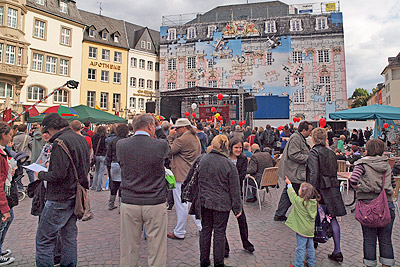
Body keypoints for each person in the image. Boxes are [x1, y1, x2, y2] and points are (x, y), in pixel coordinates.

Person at [35, 113, 90, 267]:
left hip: (60, 197)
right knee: (69, 238)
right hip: (75, 195)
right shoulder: (80, 138)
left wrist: (41, 174)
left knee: (44, 239)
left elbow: (59, 174)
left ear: (51, 127)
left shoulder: (60, 142)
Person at [350, 139, 396, 267]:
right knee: (386, 239)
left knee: (369, 239)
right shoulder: (386, 165)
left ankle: (370, 264)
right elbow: (392, 184)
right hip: (386, 204)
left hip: (368, 205)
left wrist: (359, 187)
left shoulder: (362, 164)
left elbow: (353, 179)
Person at [197, 135, 242, 267]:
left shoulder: (202, 159)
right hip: (222, 203)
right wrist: (237, 208)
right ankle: (219, 263)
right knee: (219, 232)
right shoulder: (228, 164)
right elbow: (235, 188)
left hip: (205, 200)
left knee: (205, 230)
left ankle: (204, 261)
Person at [307, 128, 347, 262]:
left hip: (320, 188)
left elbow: (313, 173)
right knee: (333, 218)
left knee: (314, 217)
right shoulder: (331, 152)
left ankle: (311, 247)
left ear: (313, 139)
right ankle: (337, 250)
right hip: (332, 187)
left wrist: (310, 191)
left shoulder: (314, 152)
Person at [167, 118, 202, 240]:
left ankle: (179, 231)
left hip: (181, 175)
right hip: (191, 174)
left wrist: (170, 137)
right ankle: (201, 226)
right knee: (191, 203)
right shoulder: (195, 138)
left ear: (184, 128)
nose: (175, 130)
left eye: (177, 128)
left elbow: (169, 150)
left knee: (181, 204)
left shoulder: (181, 140)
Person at [274, 121, 313, 221]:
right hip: (294, 171)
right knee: (290, 191)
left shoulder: (299, 137)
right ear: (303, 130)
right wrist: (308, 158)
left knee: (290, 191)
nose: (310, 132)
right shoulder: (296, 138)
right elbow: (294, 154)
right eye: (309, 130)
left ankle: (280, 213)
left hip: (294, 171)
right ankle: (280, 213)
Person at [225, 138, 254, 257]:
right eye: (236, 147)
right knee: (222, 222)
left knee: (242, 219)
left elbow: (241, 175)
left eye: (240, 148)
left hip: (236, 194)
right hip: (224, 193)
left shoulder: (242, 159)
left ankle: (245, 242)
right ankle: (224, 248)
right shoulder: (224, 158)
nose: (238, 150)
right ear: (231, 147)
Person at [284, 177, 319, 267]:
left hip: (302, 230)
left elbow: (292, 195)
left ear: (302, 193)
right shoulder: (314, 203)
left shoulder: (299, 202)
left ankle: (298, 265)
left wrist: (289, 184)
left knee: (301, 248)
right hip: (310, 231)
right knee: (310, 247)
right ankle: (311, 263)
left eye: (300, 189)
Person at [70, 120, 94, 222]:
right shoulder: (87, 139)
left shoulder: (70, 140)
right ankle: (86, 211)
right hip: (84, 167)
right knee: (84, 191)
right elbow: (90, 153)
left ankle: (76, 209)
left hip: (73, 169)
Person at [0, 122, 15, 265]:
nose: (11, 137)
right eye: (9, 134)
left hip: (5, 190)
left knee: (8, 219)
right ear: (3, 135)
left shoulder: (3, 151)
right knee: (4, 220)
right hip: (2, 194)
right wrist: (4, 208)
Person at [106, 124, 129, 211]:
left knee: (114, 184)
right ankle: (121, 206)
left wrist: (108, 165)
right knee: (123, 185)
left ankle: (111, 203)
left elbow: (108, 154)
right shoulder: (127, 141)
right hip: (124, 163)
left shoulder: (112, 141)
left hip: (114, 163)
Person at [91, 126, 107, 192]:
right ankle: (99, 187)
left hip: (96, 155)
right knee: (101, 172)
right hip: (103, 156)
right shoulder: (105, 138)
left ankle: (93, 185)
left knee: (96, 171)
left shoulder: (94, 137)